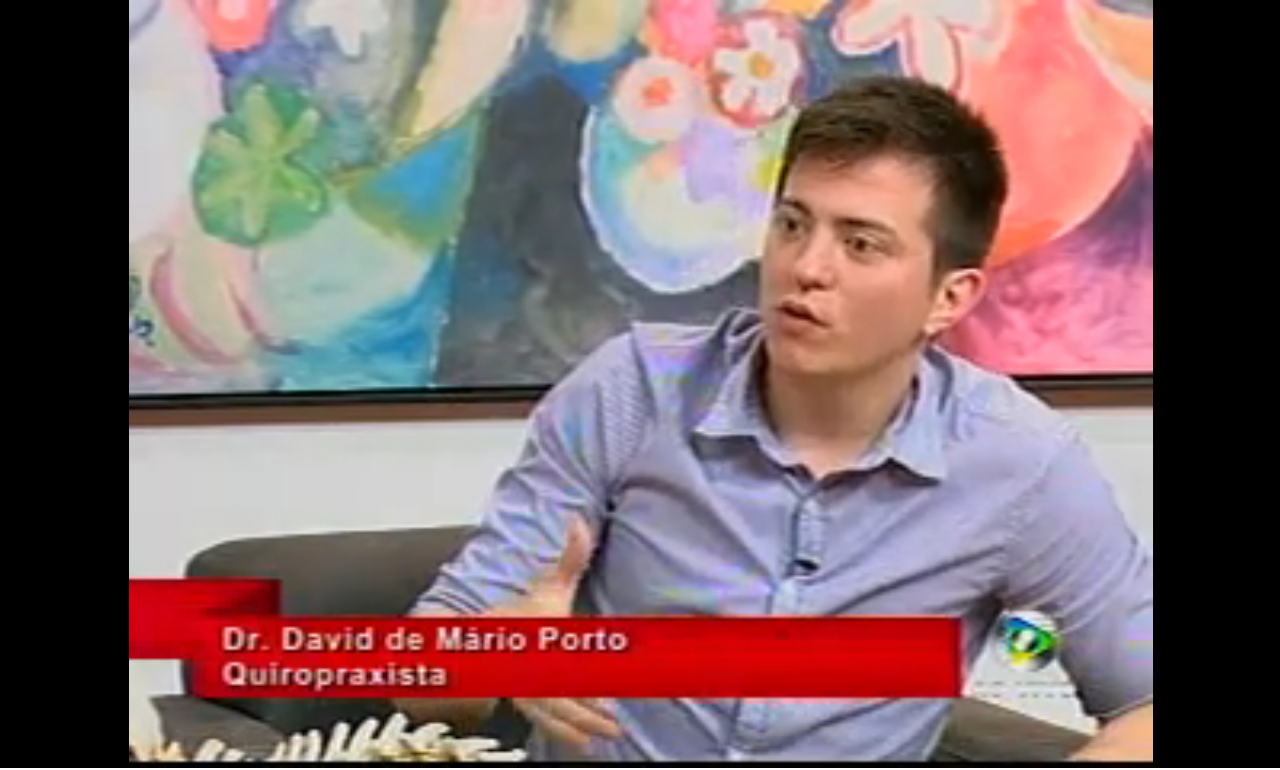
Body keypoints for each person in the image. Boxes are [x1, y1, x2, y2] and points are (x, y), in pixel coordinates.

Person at [397, 74, 1153, 762]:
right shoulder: (632, 391)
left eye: (860, 244)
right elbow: (418, 678)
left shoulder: (1019, 463)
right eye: (792, 225)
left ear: (948, 298)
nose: (807, 267)